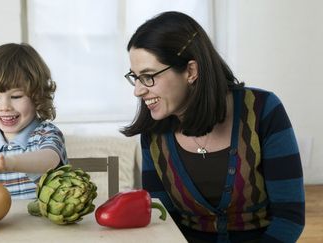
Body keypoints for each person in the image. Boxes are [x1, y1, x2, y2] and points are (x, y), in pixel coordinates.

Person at [121, 11, 304, 242]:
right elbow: (163, 220)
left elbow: (289, 218)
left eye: (148, 76)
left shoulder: (263, 110)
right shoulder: (153, 132)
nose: (137, 90)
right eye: (135, 77)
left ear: (191, 71)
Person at [0, 43, 68, 200]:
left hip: (44, 225)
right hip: (2, 224)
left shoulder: (46, 134)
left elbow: (50, 159)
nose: (5, 106)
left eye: (16, 96)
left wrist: (9, 163)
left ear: (37, 96)